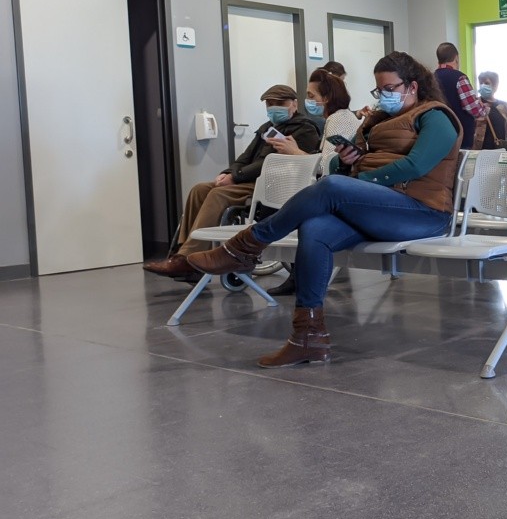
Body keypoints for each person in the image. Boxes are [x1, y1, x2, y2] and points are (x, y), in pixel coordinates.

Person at [186, 52, 463, 368]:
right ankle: (308, 338)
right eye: (379, 89)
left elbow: (416, 166)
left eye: (390, 88)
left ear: (412, 86)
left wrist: (359, 181)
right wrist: (346, 162)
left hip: (423, 212)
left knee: (332, 188)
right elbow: (341, 167)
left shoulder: (436, 117)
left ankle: (245, 245)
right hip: (380, 208)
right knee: (314, 228)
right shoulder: (376, 121)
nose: (383, 95)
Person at [143, 85, 321, 281]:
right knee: (199, 190)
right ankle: (183, 251)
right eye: (270, 104)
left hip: (273, 185)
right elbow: (246, 157)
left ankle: (187, 259)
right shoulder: (266, 128)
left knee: (218, 194)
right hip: (250, 181)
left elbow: (273, 164)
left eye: (280, 103)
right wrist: (227, 173)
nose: (274, 108)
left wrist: (236, 177)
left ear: (294, 104)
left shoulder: (304, 129)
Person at [264, 68, 362, 297]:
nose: (308, 101)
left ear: (326, 98)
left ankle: (296, 275)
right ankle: (297, 275)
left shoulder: (338, 119)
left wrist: (295, 152)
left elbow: (326, 166)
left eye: (311, 96)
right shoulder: (340, 118)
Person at [433, 42, 487, 149]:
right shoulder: (459, 78)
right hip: (460, 137)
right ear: (456, 58)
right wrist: (484, 109)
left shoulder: (430, 78)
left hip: (437, 135)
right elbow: (473, 108)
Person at [477, 70, 507, 149]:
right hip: (480, 149)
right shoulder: (475, 103)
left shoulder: (503, 105)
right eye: (481, 83)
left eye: (487, 83)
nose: (483, 86)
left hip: (500, 149)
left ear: (495, 86)